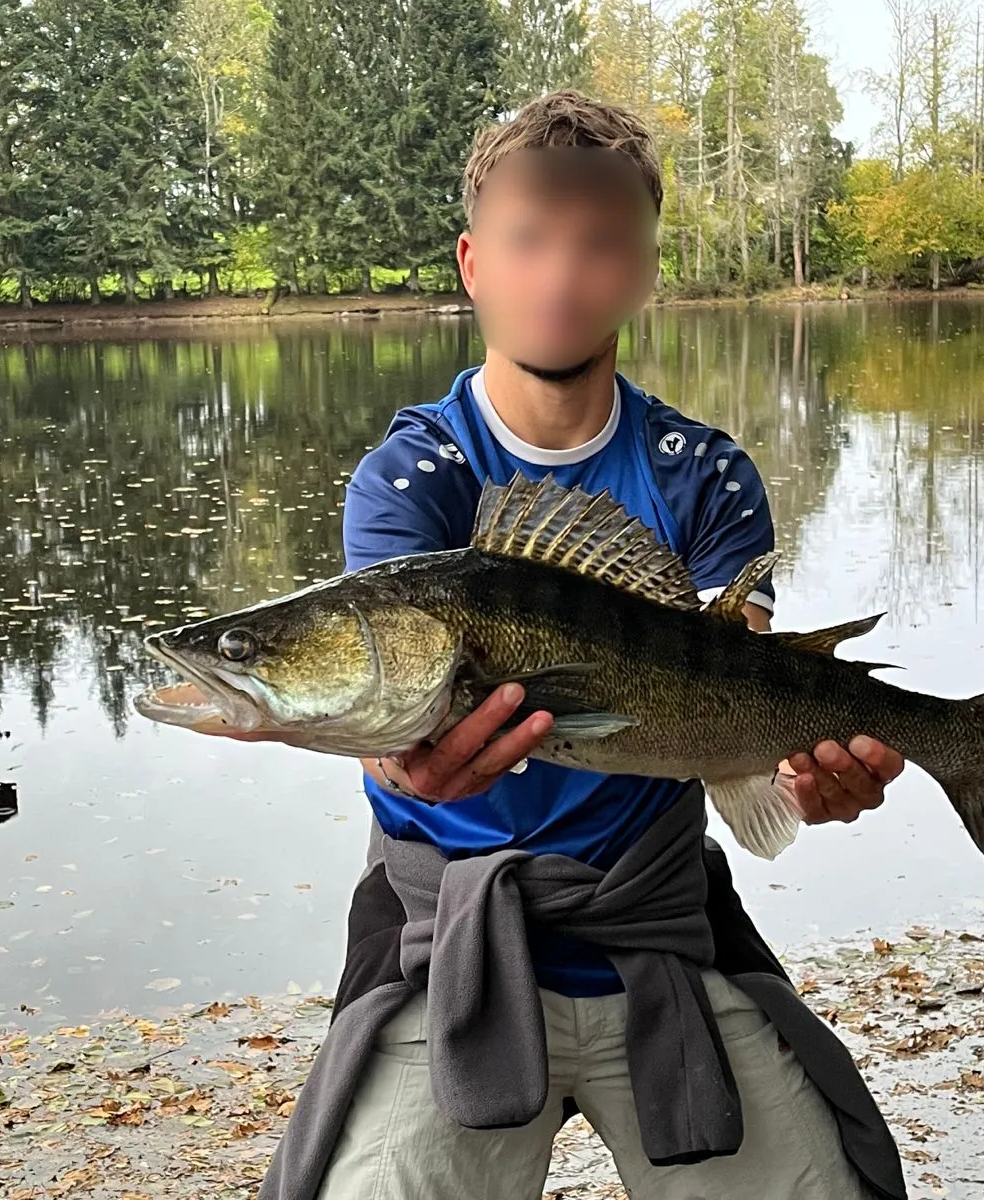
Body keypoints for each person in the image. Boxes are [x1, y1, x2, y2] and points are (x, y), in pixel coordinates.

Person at [199, 91, 907, 1200]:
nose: (561, 276)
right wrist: (398, 763)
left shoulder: (702, 474)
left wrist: (803, 774)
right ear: (475, 262)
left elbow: (736, 690)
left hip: (658, 929)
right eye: (529, 242)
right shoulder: (412, 477)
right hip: (451, 942)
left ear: (641, 270)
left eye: (599, 245)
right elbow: (390, 725)